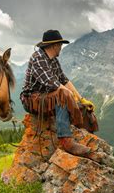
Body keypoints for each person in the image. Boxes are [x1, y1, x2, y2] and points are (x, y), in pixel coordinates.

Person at [20, 29, 102, 161]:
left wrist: (81, 99)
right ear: (54, 45)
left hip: (48, 97)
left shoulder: (53, 60)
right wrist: (71, 98)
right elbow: (52, 83)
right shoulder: (38, 58)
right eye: (60, 45)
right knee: (62, 95)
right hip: (32, 99)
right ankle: (66, 141)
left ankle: (85, 135)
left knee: (77, 102)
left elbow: (64, 80)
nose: (61, 48)